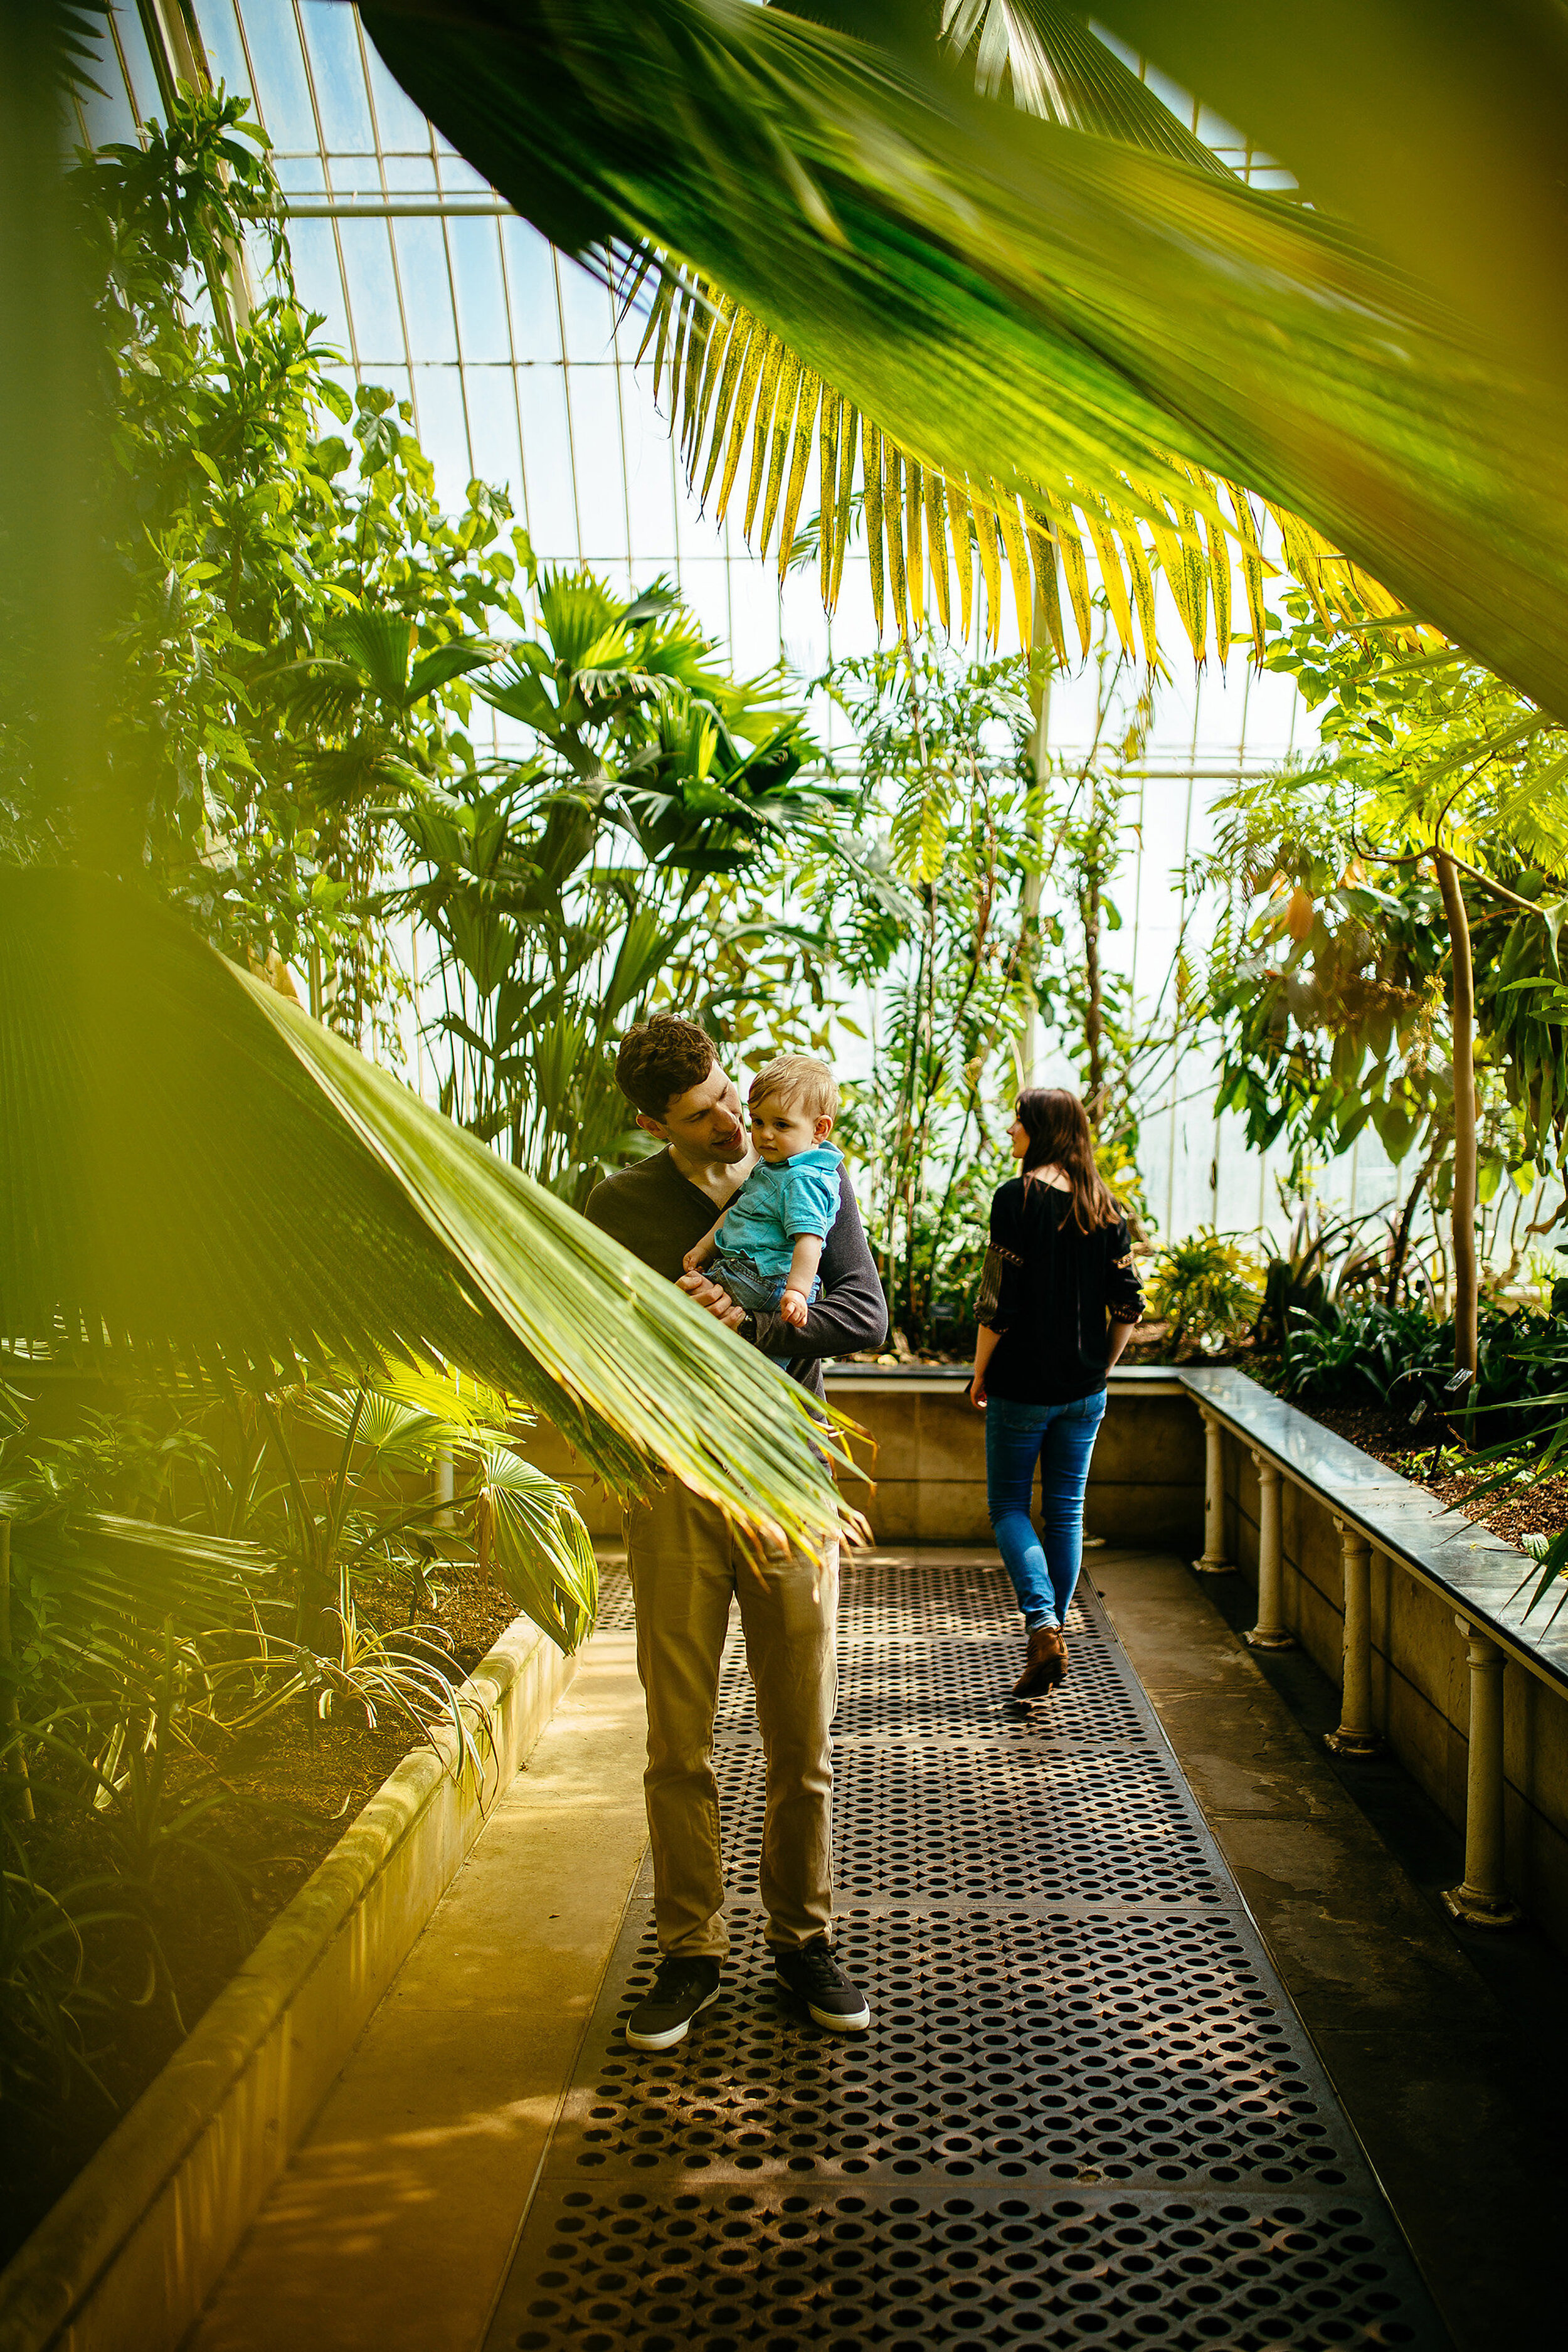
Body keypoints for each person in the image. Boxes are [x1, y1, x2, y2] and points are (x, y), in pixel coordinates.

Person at [585, 1016, 888, 2052]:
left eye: (728, 1096)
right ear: (650, 1123)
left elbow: (865, 1315)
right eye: (703, 1114)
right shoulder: (620, 1208)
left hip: (789, 1481)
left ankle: (804, 1938)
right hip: (673, 1483)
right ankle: (690, 1951)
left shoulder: (807, 1168)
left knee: (801, 1736)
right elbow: (594, 1346)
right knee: (679, 1740)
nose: (730, 1123)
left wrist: (753, 1326)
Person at [968, 1087, 1143, 1700]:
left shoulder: (1015, 1199)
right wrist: (1101, 1366)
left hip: (1022, 1384)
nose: (1009, 1132)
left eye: (1015, 1122)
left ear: (1039, 1129)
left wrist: (979, 1372)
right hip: (1083, 1390)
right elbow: (1128, 1306)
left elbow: (996, 1303)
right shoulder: (1107, 1209)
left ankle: (1043, 1624)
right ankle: (1053, 1634)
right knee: (1065, 1509)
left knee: (1009, 1508)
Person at [683, 1056, 842, 1338]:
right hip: (749, 1272)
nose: (765, 1135)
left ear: (819, 1129)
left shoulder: (803, 1179)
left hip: (763, 1278)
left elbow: (810, 1240)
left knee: (688, 1307)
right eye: (758, 1121)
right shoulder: (775, 1167)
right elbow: (737, 1212)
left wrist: (797, 1292)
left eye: (781, 1125)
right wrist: (704, 1248)